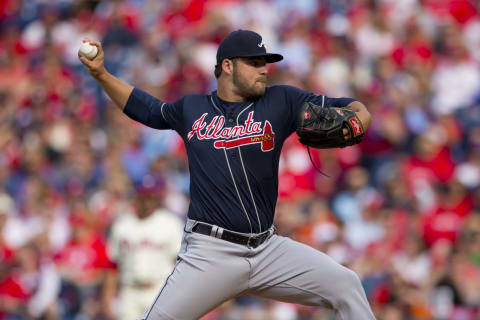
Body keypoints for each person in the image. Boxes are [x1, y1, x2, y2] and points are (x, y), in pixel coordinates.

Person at [79, 29, 375, 320]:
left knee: (346, 286)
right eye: (255, 63)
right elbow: (148, 109)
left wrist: (360, 117)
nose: (264, 70)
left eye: (265, 63)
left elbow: (349, 107)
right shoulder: (192, 108)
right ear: (228, 66)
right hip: (210, 254)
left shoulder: (281, 100)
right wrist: (102, 75)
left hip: (267, 249)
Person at [102, 183, 183, 320]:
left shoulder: (170, 223)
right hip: (129, 291)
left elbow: (180, 263)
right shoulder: (122, 224)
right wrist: (107, 297)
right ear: (135, 198)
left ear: (156, 199)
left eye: (150, 198)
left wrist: (180, 294)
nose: (146, 202)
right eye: (142, 197)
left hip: (160, 290)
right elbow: (112, 264)